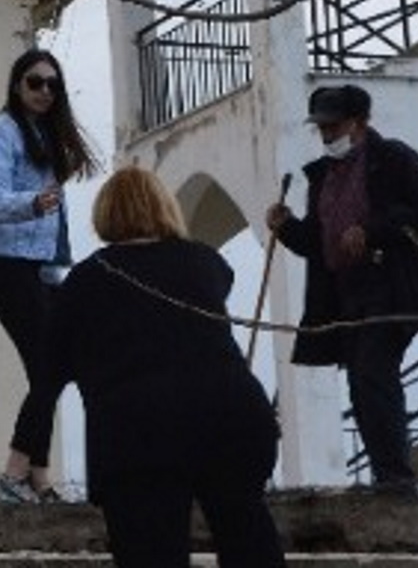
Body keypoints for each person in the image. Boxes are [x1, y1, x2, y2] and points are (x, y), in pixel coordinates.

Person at [44, 166, 286, 567]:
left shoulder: (87, 279)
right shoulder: (205, 262)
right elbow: (217, 284)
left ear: (105, 213)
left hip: (139, 431)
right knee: (248, 537)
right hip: (233, 416)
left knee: (150, 552)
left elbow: (53, 364)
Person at [265, 83, 418, 496]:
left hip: (390, 287)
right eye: (322, 128)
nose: (327, 135)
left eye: (334, 126)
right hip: (344, 293)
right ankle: (388, 476)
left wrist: (372, 231)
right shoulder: (324, 177)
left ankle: (396, 479)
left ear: (360, 123)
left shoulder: (394, 159)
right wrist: (286, 228)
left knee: (373, 375)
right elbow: (317, 242)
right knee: (363, 382)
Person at [0, 48, 95, 503]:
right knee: (49, 366)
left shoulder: (45, 134)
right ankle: (15, 475)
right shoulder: (2, 132)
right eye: (35, 82)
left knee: (54, 367)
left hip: (39, 268)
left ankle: (37, 478)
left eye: (52, 84)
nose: (44, 91)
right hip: (3, 267)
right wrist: (30, 204)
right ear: (17, 85)